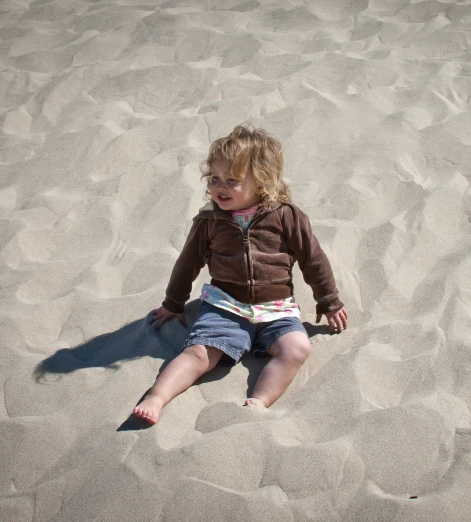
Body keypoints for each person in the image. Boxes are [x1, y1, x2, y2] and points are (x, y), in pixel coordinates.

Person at [132, 125, 348, 425]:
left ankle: (259, 401)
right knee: (198, 354)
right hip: (225, 305)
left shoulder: (287, 216)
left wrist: (329, 300)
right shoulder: (208, 221)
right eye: (214, 179)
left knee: (297, 349)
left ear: (262, 181)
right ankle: (157, 396)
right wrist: (173, 303)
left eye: (232, 180)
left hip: (276, 308)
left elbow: (313, 259)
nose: (220, 187)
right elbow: (187, 263)